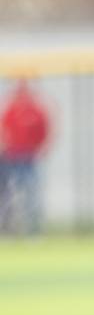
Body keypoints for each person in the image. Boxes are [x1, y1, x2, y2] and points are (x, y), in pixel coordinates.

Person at [0, 78, 50, 235]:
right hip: (10, 158)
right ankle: (6, 230)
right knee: (7, 196)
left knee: (31, 194)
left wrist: (41, 149)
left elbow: (45, 132)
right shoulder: (11, 109)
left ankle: (32, 231)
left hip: (30, 158)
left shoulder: (37, 110)